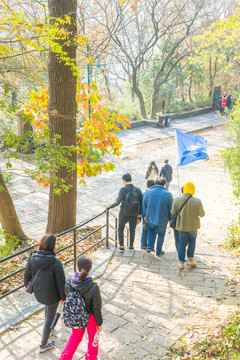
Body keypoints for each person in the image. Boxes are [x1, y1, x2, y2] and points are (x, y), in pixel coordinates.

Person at [24, 233, 66, 353]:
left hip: (39, 293)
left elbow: (26, 278)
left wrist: (34, 288)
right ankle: (43, 344)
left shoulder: (32, 257)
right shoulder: (56, 263)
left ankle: (49, 329)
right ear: (53, 246)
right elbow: (61, 284)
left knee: (49, 312)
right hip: (52, 296)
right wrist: (63, 297)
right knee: (49, 317)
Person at [59, 256, 103, 360]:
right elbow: (97, 308)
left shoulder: (69, 281)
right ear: (91, 268)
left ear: (77, 267)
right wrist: (99, 323)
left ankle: (65, 358)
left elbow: (66, 295)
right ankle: (91, 357)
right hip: (91, 317)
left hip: (76, 316)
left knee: (75, 336)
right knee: (93, 337)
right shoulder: (93, 286)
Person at [171, 182, 205, 270]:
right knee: (192, 241)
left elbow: (173, 212)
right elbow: (202, 214)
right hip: (193, 227)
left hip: (181, 226)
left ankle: (181, 262)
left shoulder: (177, 200)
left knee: (181, 243)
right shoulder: (197, 201)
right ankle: (190, 260)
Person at [106, 173, 143, 253]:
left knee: (121, 229)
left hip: (124, 213)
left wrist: (108, 207)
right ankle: (131, 246)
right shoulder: (137, 190)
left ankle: (121, 246)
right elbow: (141, 201)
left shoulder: (123, 190)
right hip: (134, 213)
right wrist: (140, 213)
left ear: (124, 180)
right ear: (131, 180)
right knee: (132, 229)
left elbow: (117, 202)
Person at [143, 177, 173, 256]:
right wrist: (170, 219)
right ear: (164, 184)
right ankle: (158, 251)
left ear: (155, 184)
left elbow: (144, 205)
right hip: (163, 219)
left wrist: (145, 215)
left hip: (151, 217)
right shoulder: (168, 194)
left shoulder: (148, 192)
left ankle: (149, 246)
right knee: (161, 235)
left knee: (150, 230)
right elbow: (171, 208)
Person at [140, 179, 155, 250]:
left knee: (144, 230)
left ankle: (143, 245)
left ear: (146, 186)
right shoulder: (154, 194)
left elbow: (141, 205)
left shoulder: (143, 194)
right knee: (152, 231)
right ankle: (150, 246)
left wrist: (142, 215)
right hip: (152, 216)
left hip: (144, 215)